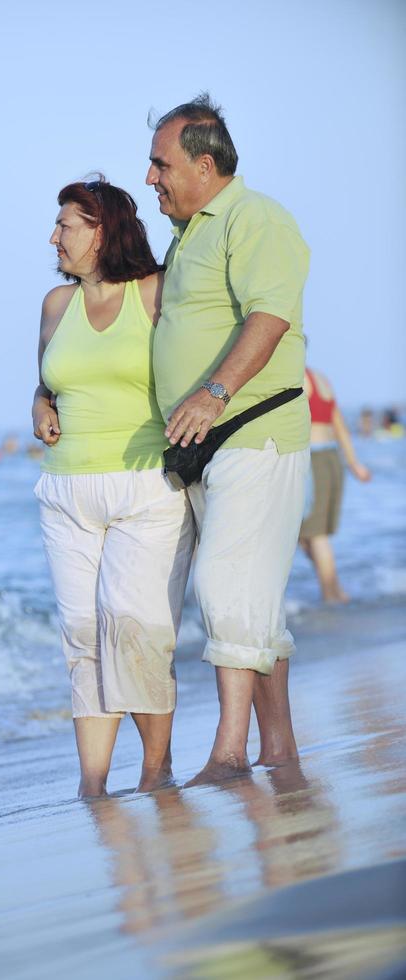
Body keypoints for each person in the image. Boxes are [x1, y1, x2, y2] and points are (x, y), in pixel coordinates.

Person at [147, 94, 311, 784]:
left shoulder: (254, 217)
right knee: (251, 601)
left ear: (205, 163)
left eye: (161, 165)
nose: (151, 178)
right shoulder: (186, 237)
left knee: (223, 586)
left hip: (255, 428)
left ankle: (228, 754)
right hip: (205, 446)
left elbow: (270, 316)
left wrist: (212, 394)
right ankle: (279, 748)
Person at [32, 178, 194, 798]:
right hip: (66, 491)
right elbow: (47, 383)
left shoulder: (154, 293)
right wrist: (38, 404)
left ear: (101, 230)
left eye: (65, 225)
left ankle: (157, 772)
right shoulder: (54, 304)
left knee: (136, 629)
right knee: (82, 636)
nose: (54, 236)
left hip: (146, 486)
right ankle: (93, 787)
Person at [300, 367, 371, 602]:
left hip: (312, 462)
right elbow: (339, 426)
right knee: (308, 534)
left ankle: (330, 595)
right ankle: (336, 591)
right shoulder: (322, 380)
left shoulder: (297, 377)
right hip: (331, 459)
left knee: (315, 535)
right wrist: (354, 464)